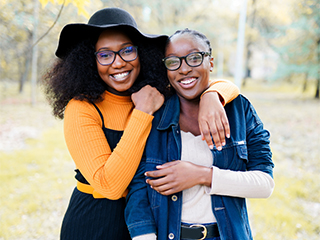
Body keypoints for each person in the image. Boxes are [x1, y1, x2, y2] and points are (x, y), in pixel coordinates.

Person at [43, 8, 240, 240]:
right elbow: (110, 186)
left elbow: (218, 83)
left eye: (127, 51)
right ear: (89, 61)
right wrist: (142, 112)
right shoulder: (82, 107)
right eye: (105, 55)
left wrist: (212, 96)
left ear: (142, 54)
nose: (118, 63)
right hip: (95, 222)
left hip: (150, 219)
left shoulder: (155, 93)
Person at [125, 28, 275, 240]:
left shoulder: (240, 110)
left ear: (210, 63)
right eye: (173, 61)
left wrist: (202, 175)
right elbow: (139, 188)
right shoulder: (155, 115)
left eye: (194, 58)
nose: (184, 69)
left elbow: (265, 184)